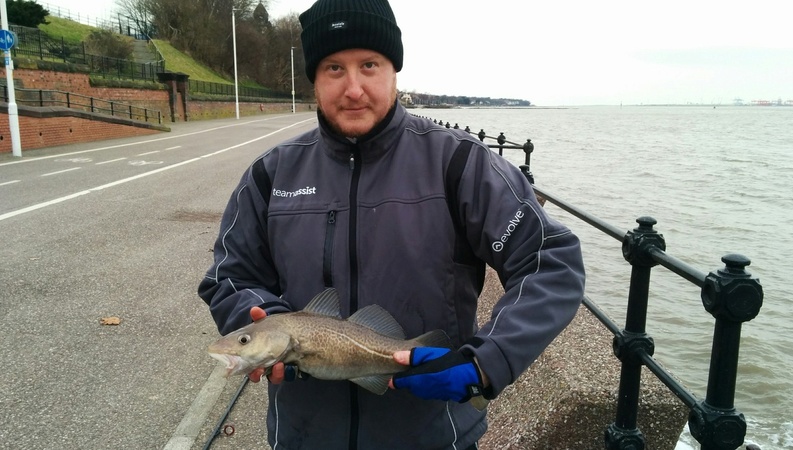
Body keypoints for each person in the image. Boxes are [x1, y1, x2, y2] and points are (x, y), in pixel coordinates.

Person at [198, 0, 585, 448]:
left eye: (369, 65)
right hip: (305, 436)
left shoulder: (458, 163)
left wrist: (486, 362)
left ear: (394, 70)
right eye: (333, 68)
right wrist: (259, 321)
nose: (354, 89)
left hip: (433, 435)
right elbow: (230, 275)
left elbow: (549, 261)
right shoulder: (271, 174)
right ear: (315, 79)